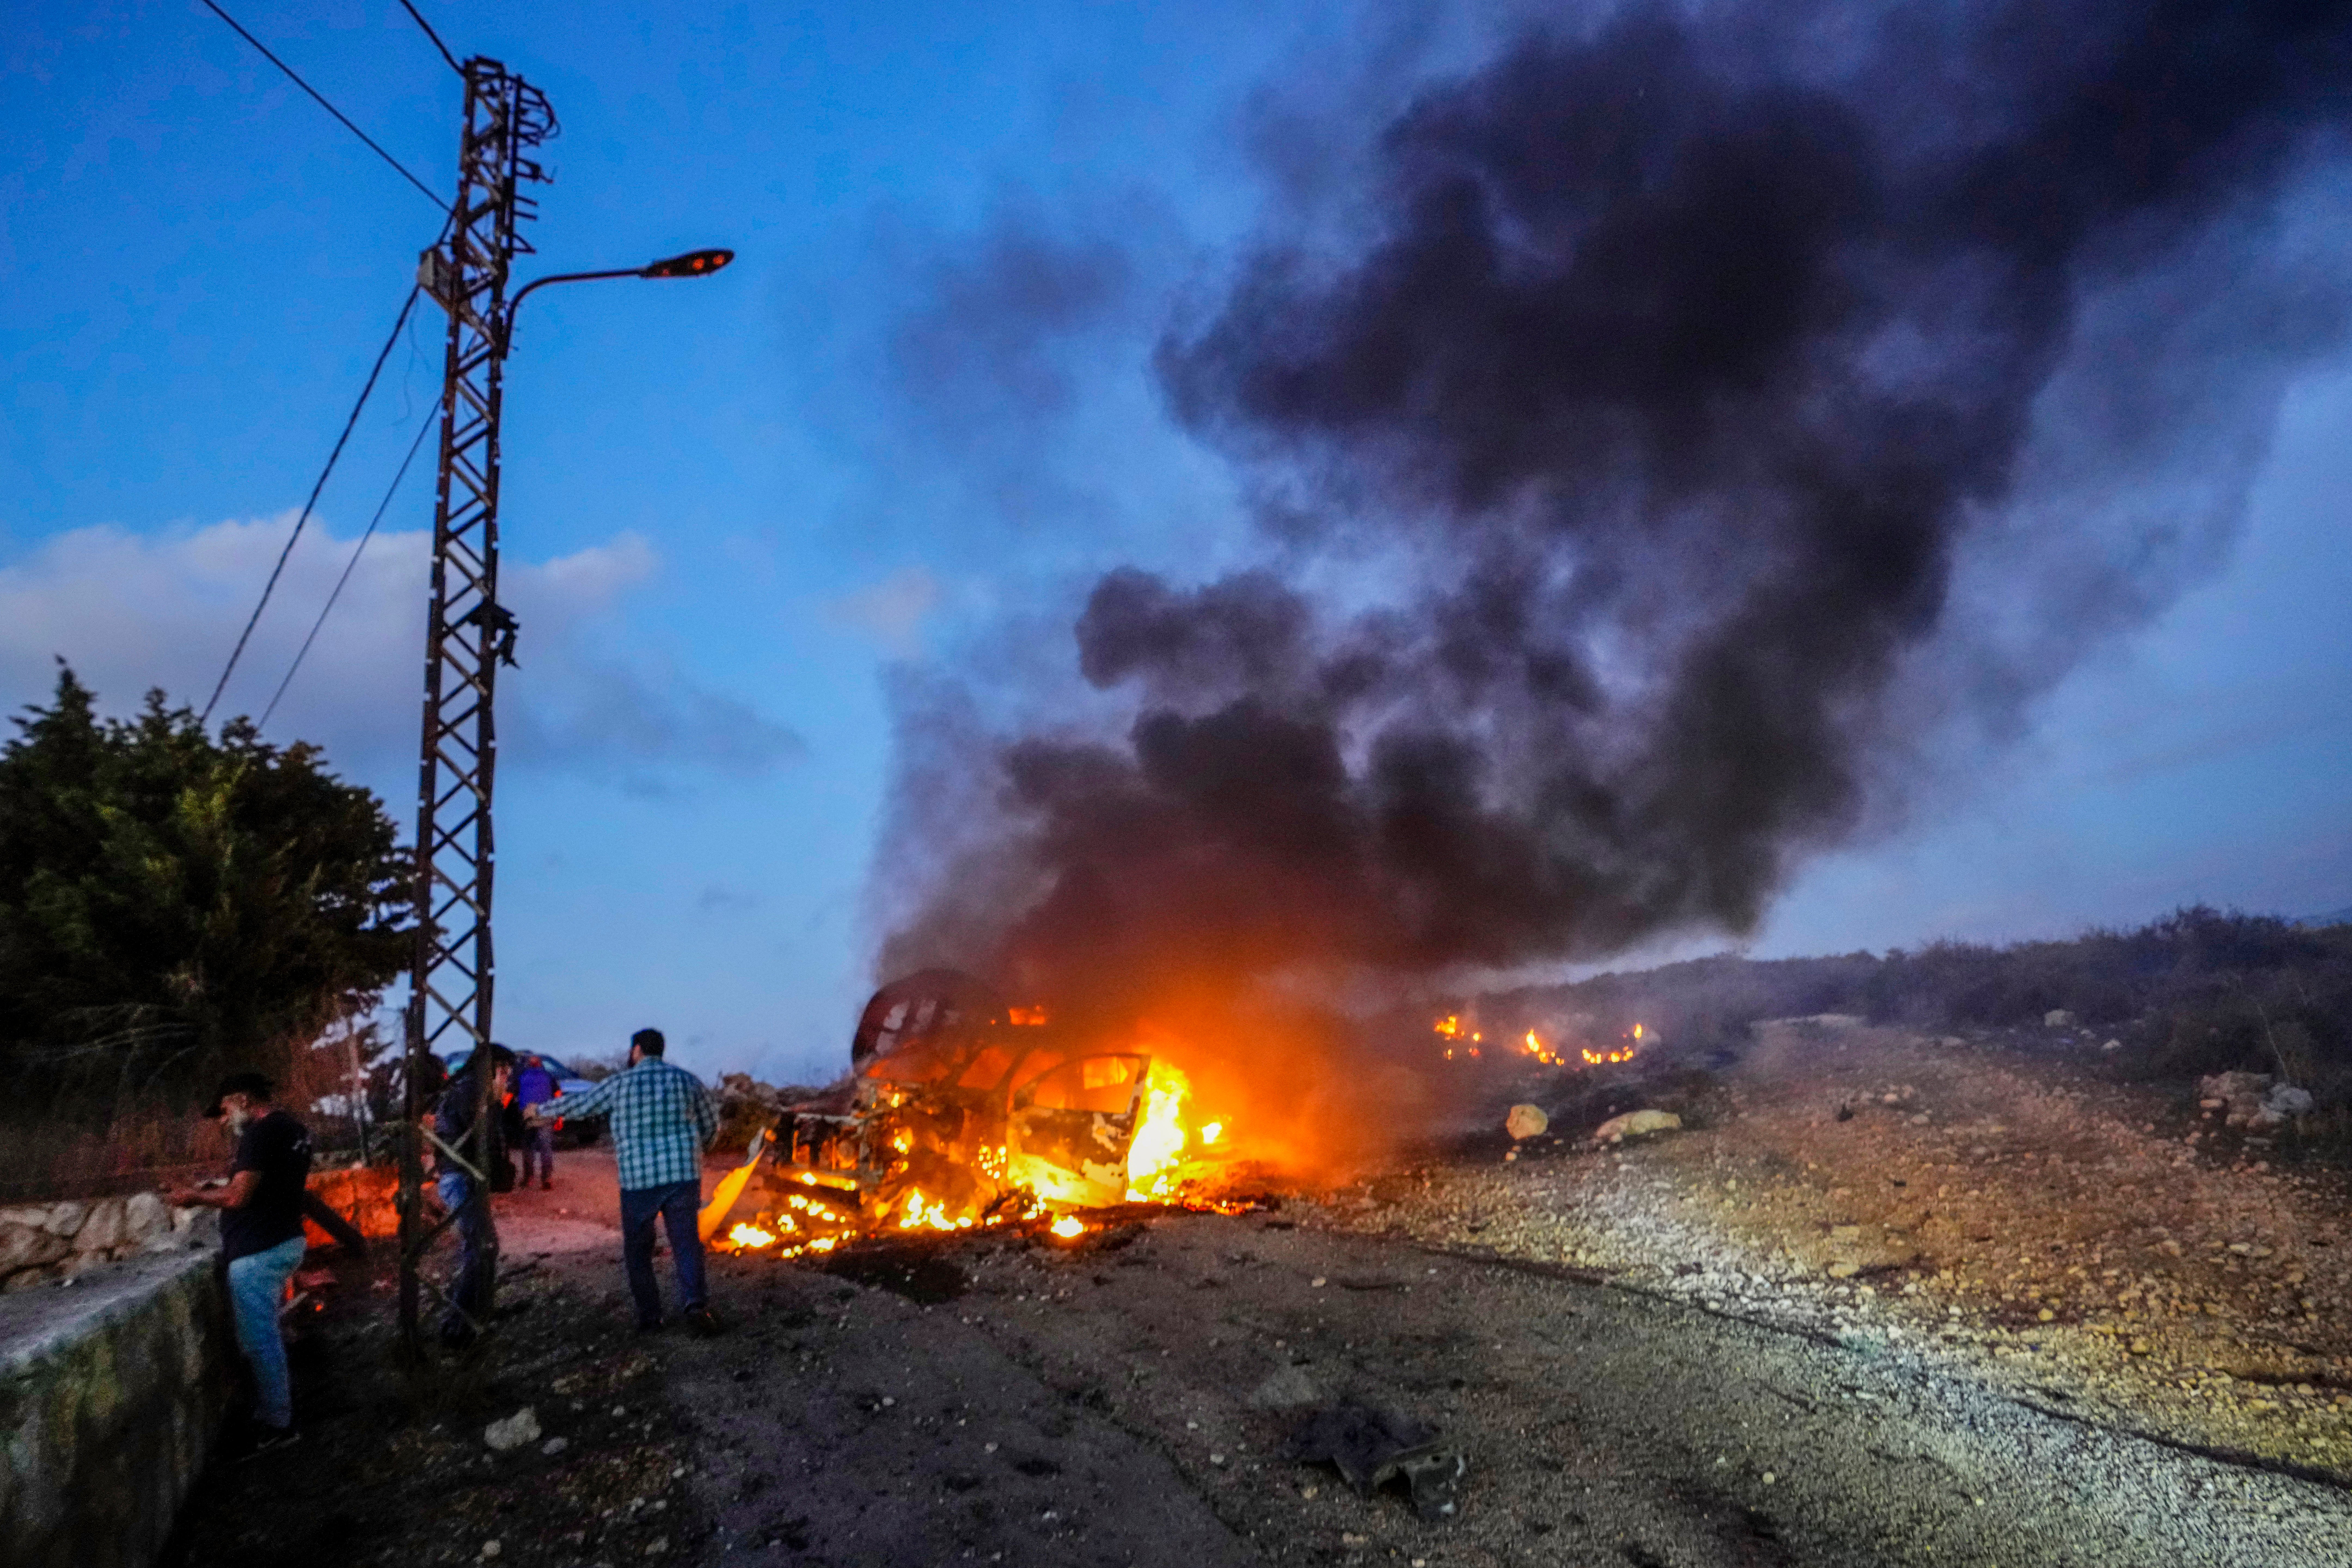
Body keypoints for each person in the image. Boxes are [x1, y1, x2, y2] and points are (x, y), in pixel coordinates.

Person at [526, 1027, 721, 1335]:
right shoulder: (687, 1081)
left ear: (637, 1050)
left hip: (638, 1180)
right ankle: (696, 1307)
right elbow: (712, 1124)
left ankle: (651, 1317)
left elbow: (581, 1105)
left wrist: (540, 1111)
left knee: (638, 1251)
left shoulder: (620, 1084)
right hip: (683, 1177)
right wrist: (696, 1155)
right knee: (686, 1244)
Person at [162, 1071, 312, 1455]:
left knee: (260, 1342)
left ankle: (280, 1425)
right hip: (284, 1239)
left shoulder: (259, 1135)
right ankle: (275, 1412)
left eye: (225, 1110)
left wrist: (193, 1198)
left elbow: (239, 1198)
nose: (224, 1121)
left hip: (259, 1250)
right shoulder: (293, 1129)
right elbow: (268, 1186)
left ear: (243, 1100)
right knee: (267, 1337)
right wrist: (205, 1189)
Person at [433, 1043, 515, 1348]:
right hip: (460, 1177)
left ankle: (472, 1318)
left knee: (482, 1247)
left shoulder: (477, 1094)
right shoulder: (471, 1093)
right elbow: (481, 1140)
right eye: (505, 1070)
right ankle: (458, 1326)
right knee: (481, 1246)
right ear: (492, 1067)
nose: (508, 1078)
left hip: (465, 1177)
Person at [514, 1052, 559, 1189]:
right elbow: (558, 1095)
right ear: (541, 1064)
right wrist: (560, 1115)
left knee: (528, 1148)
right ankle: (547, 1179)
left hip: (528, 1116)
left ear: (528, 1065)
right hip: (546, 1114)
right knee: (546, 1148)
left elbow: (511, 1094)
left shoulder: (522, 1077)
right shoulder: (549, 1076)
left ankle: (529, 1178)